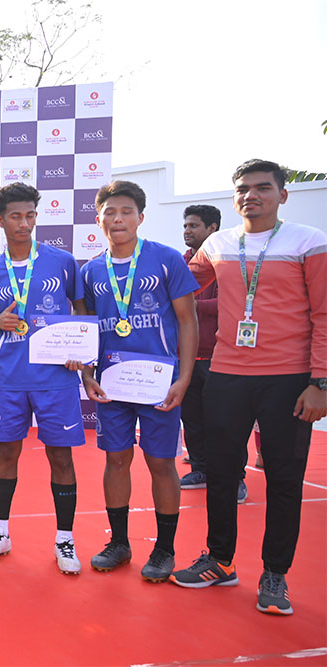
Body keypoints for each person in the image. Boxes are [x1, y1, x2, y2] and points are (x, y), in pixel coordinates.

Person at [173, 159, 327, 616]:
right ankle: (220, 560)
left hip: (288, 379)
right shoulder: (218, 244)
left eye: (263, 188)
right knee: (221, 474)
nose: (251, 195)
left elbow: (324, 314)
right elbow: (180, 288)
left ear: (283, 194)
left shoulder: (309, 241)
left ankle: (275, 573)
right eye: (243, 188)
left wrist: (320, 382)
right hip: (226, 374)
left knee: (283, 480)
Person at [80, 180, 198, 582]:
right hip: (113, 384)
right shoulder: (90, 271)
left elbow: (188, 321)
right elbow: (86, 330)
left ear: (140, 217)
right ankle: (119, 542)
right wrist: (87, 374)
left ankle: (164, 549)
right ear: (98, 219)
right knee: (115, 460)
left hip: (159, 383)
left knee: (161, 462)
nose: (118, 219)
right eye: (110, 212)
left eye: (126, 211)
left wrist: (184, 378)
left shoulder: (166, 260)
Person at [0, 182, 87, 573]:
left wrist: (80, 348)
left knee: (61, 456)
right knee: (6, 454)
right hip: (10, 377)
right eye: (15, 217)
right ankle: (0, 531)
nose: (24, 224)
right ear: (0, 220)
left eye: (30, 215)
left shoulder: (63, 261)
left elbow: (81, 309)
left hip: (56, 377)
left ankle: (65, 539)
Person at [177, 205, 247, 502]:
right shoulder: (180, 263)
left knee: (227, 423)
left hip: (220, 359)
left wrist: (191, 306)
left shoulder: (226, 262)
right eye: (185, 226)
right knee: (192, 421)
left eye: (194, 226)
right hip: (186, 358)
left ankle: (236, 478)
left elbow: (231, 304)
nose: (187, 231)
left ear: (212, 228)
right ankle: (201, 469)